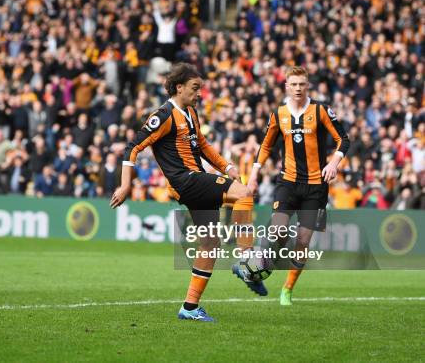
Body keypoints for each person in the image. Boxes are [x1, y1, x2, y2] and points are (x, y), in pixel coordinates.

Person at [110, 63, 262, 323]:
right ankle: (247, 260)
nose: (200, 93)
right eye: (195, 88)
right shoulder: (164, 115)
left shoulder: (190, 111)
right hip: (187, 181)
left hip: (194, 183)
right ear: (178, 87)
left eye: (200, 88)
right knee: (244, 193)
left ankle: (190, 307)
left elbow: (202, 144)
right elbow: (133, 148)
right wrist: (126, 184)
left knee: (210, 243)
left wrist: (226, 166)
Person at [247, 66, 350, 306]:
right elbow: (265, 146)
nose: (298, 88)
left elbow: (343, 139)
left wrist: (334, 162)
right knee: (278, 231)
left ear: (307, 85)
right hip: (288, 182)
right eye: (293, 84)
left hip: (316, 186)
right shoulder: (278, 114)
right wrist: (253, 174)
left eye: (302, 84)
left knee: (303, 241)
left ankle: (287, 289)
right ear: (286, 86)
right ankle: (262, 268)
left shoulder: (321, 110)